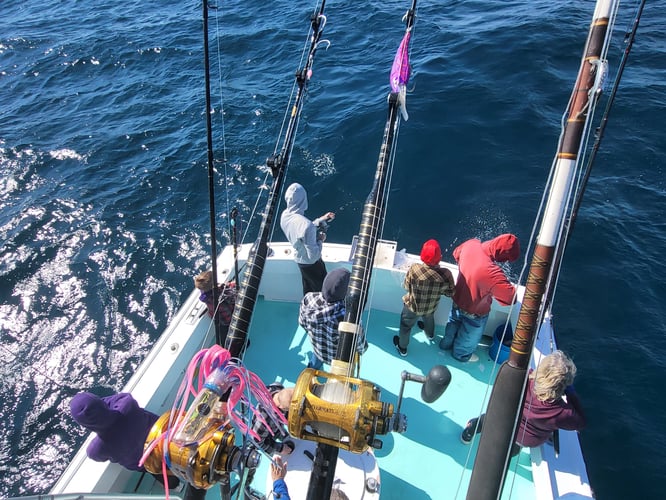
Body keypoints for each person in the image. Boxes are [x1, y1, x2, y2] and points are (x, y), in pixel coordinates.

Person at [460, 350, 586, 455]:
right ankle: (507, 454)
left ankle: (468, 433)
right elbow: (580, 423)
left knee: (485, 420)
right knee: (514, 448)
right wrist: (571, 393)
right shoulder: (563, 413)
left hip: (500, 421)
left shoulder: (521, 378)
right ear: (564, 384)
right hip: (525, 439)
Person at [69, 392, 179, 489]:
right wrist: (99, 406)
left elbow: (96, 456)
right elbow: (113, 400)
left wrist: (96, 420)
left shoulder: (96, 449)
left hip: (150, 463)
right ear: (101, 403)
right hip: (167, 441)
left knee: (164, 476)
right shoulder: (127, 405)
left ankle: (173, 483)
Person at [439, 233, 520, 362]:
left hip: (456, 300)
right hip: (475, 313)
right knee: (468, 337)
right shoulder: (492, 272)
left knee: (452, 324)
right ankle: (460, 355)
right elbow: (511, 298)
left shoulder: (471, 243)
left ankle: (445, 345)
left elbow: (456, 254)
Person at [393, 239, 455, 357]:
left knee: (406, 326)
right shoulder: (446, 274)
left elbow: (406, 286)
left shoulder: (415, 268)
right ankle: (430, 335)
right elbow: (450, 292)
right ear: (439, 257)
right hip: (431, 306)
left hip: (412, 307)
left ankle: (403, 349)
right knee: (429, 318)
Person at [299, 267, 367, 369]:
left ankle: (311, 370)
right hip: (339, 359)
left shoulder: (308, 299)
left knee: (314, 363)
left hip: (318, 351)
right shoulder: (349, 318)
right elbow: (360, 346)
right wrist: (363, 349)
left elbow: (302, 323)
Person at [280, 182, 335, 295]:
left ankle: (308, 310)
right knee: (322, 293)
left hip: (300, 261)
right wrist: (320, 240)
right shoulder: (307, 225)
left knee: (309, 291)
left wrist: (321, 219)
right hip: (312, 265)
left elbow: (301, 230)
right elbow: (313, 257)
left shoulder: (285, 215)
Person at [251, 383, 295, 457]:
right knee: (285, 453)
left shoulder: (277, 387)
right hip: (265, 437)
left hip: (277, 426)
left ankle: (282, 435)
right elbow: (257, 442)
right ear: (281, 407)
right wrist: (280, 448)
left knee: (289, 437)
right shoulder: (263, 420)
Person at [194, 270, 237, 339]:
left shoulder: (205, 296)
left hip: (218, 320)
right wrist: (232, 285)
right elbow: (234, 296)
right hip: (229, 318)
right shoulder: (222, 293)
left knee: (224, 335)